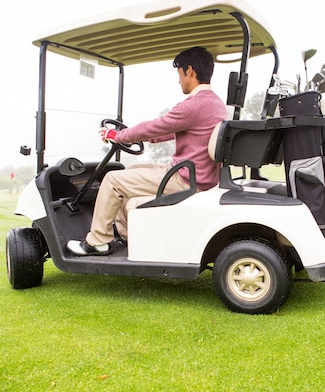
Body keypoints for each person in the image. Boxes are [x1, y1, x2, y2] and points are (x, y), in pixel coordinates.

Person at [67, 46, 228, 256]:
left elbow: (156, 125)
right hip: (199, 175)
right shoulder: (214, 103)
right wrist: (144, 136)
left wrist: (118, 136)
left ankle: (97, 240)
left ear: (189, 71)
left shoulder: (193, 105)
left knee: (112, 180)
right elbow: (170, 130)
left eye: (179, 74)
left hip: (186, 179)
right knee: (130, 170)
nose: (178, 80)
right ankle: (127, 237)